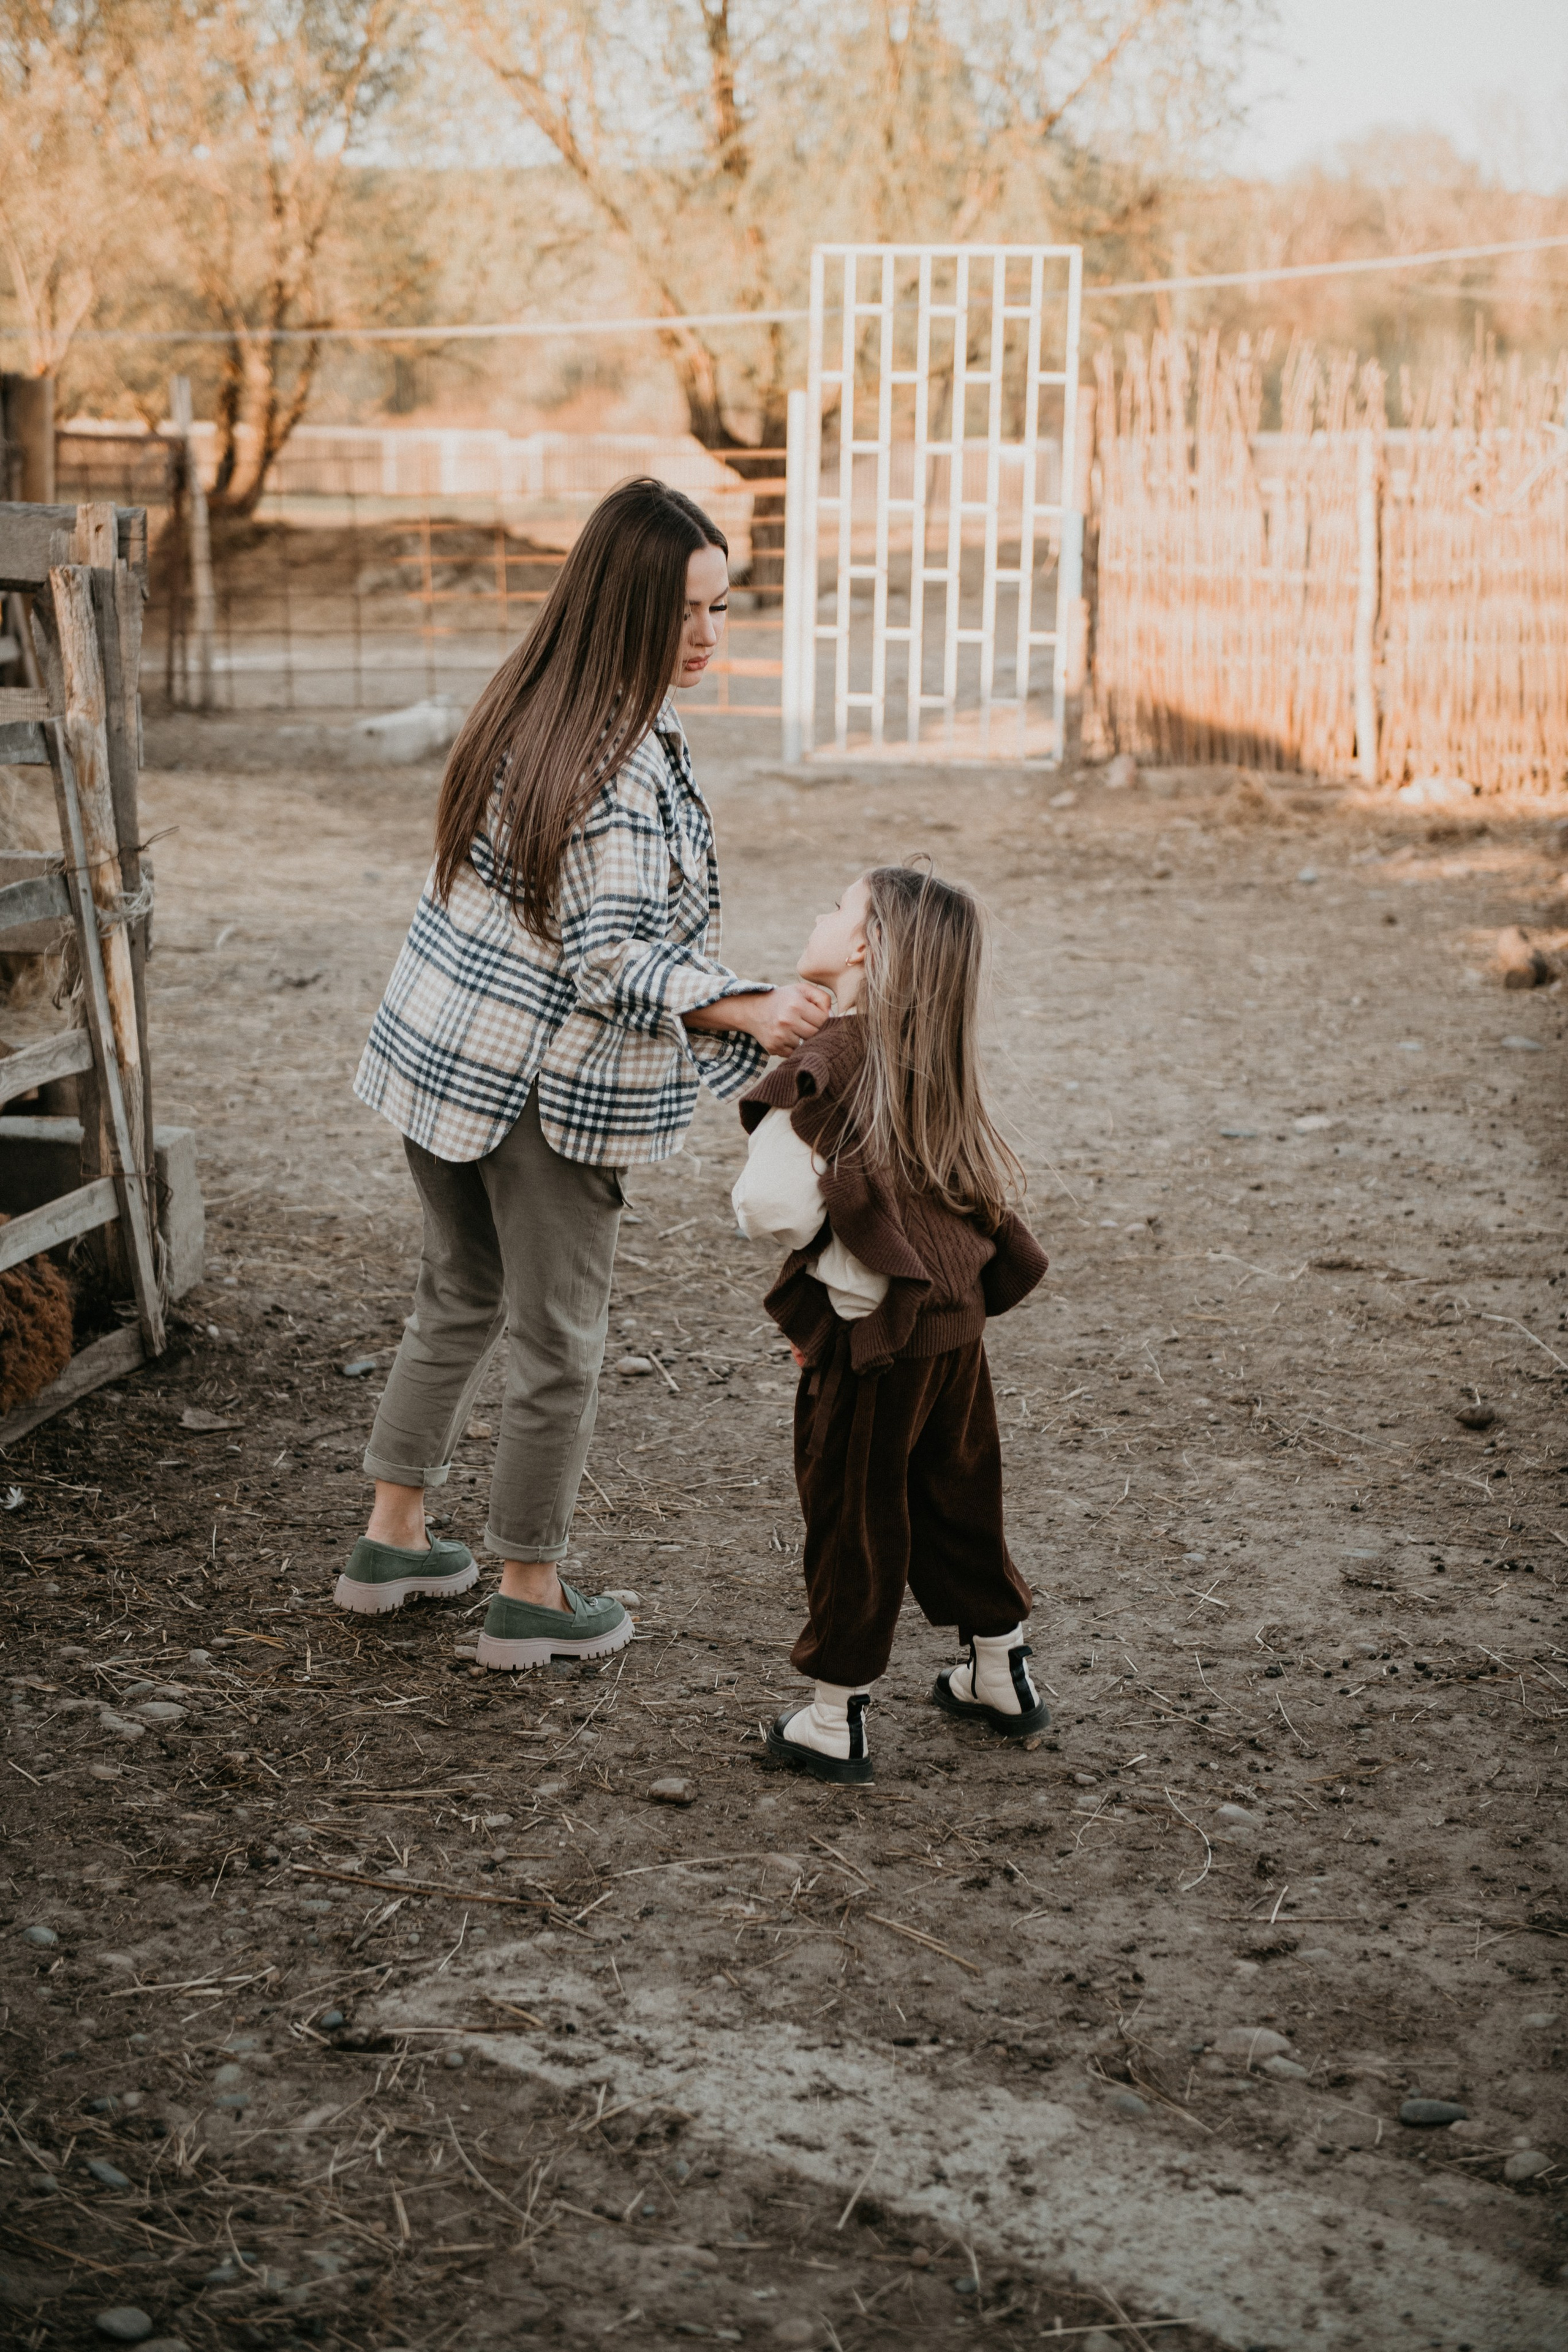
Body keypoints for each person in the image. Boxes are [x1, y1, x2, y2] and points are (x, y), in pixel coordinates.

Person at [344, 478, 831, 1666]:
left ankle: (390, 1541)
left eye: (722, 609)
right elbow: (611, 960)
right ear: (619, 608)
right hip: (538, 1097)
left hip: (441, 1067)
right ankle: (529, 1591)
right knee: (556, 1338)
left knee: (457, 1295)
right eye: (684, 614)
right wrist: (751, 1007)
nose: (710, 638)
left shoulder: (531, 704)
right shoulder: (611, 759)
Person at [731, 865, 1048, 1784]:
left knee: (854, 1514)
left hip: (875, 1339)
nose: (821, 911)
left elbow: (774, 1209)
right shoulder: (931, 1055)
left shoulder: (828, 1065)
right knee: (958, 1495)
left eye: (837, 907)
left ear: (865, 949)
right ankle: (1002, 1672)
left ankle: (834, 1719)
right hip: (955, 1330)